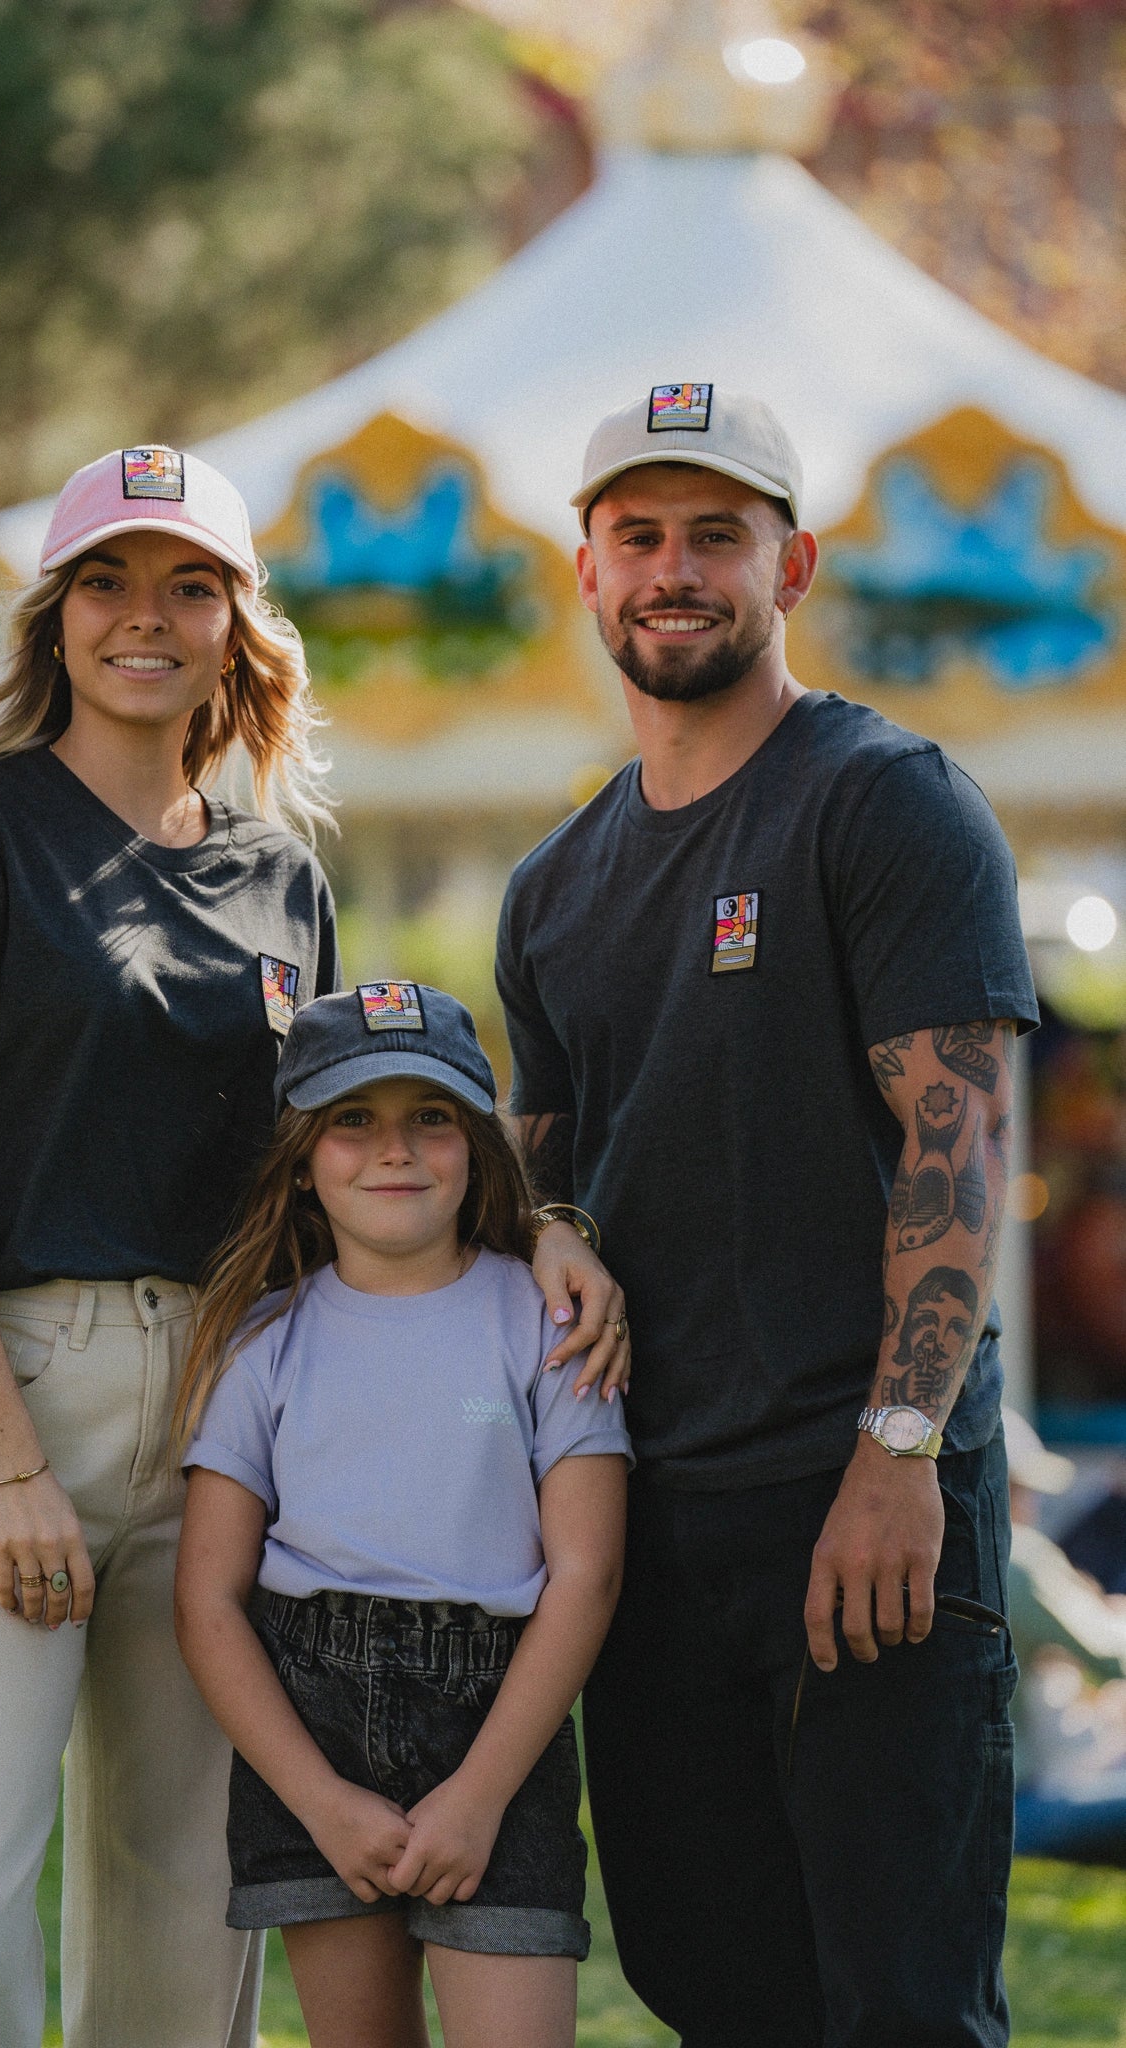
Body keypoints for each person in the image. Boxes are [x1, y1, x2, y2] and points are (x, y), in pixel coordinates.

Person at [0, 444, 620, 2048]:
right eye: (109, 583)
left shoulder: (280, 879)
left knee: (187, 1916)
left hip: (230, 1403)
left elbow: (351, 1146)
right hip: (12, 1379)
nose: (149, 616)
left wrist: (541, 1230)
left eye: (189, 584)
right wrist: (4, 1462)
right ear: (55, 619)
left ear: (235, 624)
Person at [495, 386, 1041, 2046]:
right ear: (586, 572)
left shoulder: (884, 803)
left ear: (789, 561)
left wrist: (896, 1455)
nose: (677, 569)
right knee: (710, 1986)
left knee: (901, 2004)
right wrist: (548, 1222)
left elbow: (961, 1140)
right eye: (639, 534)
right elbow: (541, 1162)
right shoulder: (553, 884)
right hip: (652, 1530)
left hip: (861, 1506)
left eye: (715, 534)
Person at [172, 984, 631, 2048]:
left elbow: (588, 1573)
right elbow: (206, 1598)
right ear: (300, 1156)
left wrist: (478, 1794)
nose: (395, 1149)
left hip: (498, 1726)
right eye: (353, 1119)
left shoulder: (551, 1321)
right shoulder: (262, 1344)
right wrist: (321, 1799)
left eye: (429, 1115)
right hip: (311, 1728)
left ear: (476, 1141)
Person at [1003, 1409, 1126, 1864]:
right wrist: (1112, 1613)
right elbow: (1113, 1658)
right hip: (1021, 1805)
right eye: (1023, 1490)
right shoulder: (1014, 1555)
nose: (1031, 1506)